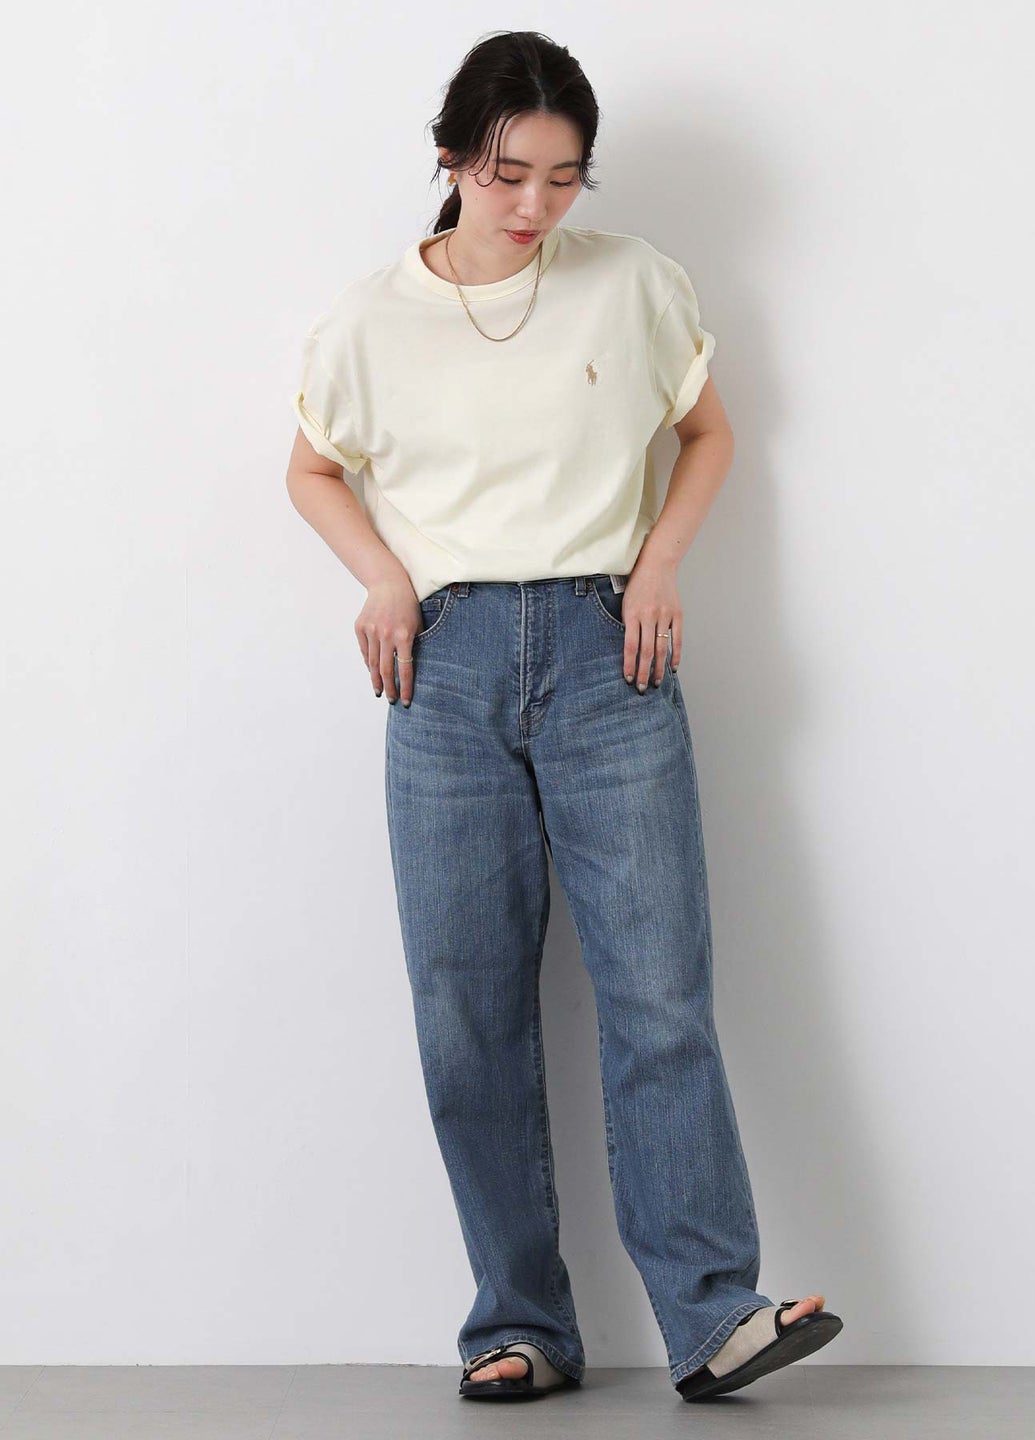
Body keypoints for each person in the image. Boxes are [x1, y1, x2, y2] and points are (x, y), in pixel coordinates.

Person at [285, 28, 842, 1403]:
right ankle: (519, 1322)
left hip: (609, 654)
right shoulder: (368, 321)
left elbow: (709, 433)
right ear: (450, 159)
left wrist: (658, 565)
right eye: (506, 173)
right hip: (444, 668)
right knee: (466, 1008)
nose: (534, 204)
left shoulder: (633, 282)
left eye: (563, 177)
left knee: (660, 991)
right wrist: (383, 581)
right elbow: (311, 469)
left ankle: (713, 1315)